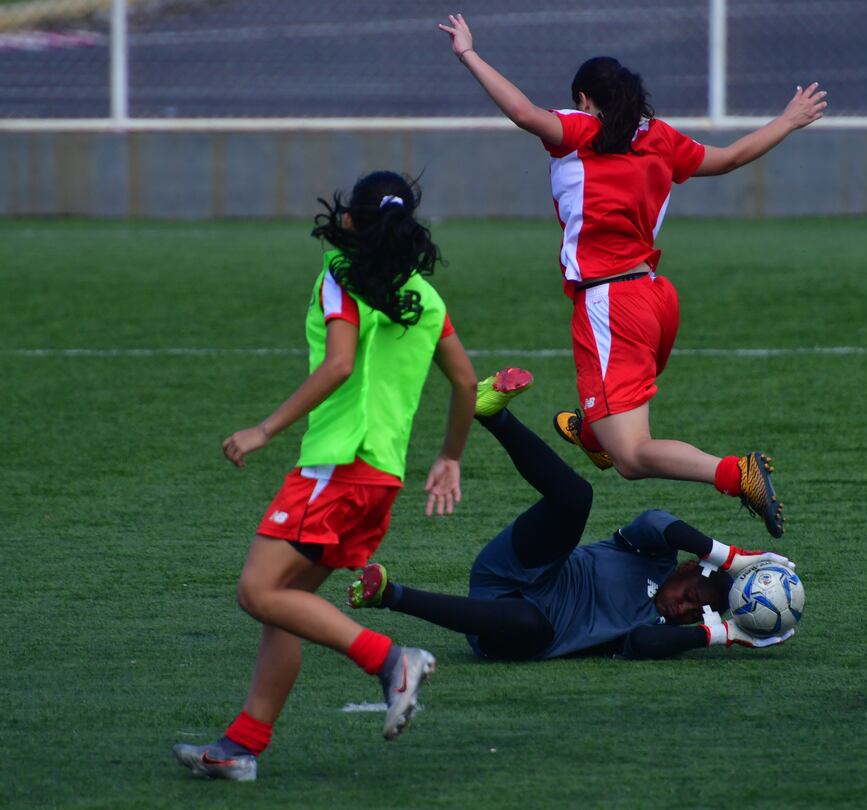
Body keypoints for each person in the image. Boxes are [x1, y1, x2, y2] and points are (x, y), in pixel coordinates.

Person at [438, 14, 829, 539]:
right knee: (612, 432)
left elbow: (521, 111)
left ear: (583, 99)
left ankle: (737, 474)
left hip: (610, 307)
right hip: (655, 299)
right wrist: (788, 119)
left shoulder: (581, 133)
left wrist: (468, 53)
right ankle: (593, 432)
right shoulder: (661, 139)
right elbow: (732, 157)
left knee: (632, 457)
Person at [173, 171, 484, 783]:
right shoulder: (426, 296)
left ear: (349, 218)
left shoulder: (340, 277)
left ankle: (391, 660)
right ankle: (241, 746)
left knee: (258, 591)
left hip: (338, 466)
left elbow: (340, 364)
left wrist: (264, 429)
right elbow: (468, 383)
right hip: (381, 477)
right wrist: (449, 456)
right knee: (285, 606)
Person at [346, 369, 797, 661]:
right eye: (694, 592)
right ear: (688, 565)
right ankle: (491, 414)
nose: (685, 607)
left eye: (698, 612)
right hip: (518, 569)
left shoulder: (660, 629)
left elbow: (640, 645)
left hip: (507, 626)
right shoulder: (651, 553)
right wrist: (728, 555)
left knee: (532, 624)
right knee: (576, 497)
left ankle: (391, 595)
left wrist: (725, 633)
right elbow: (659, 520)